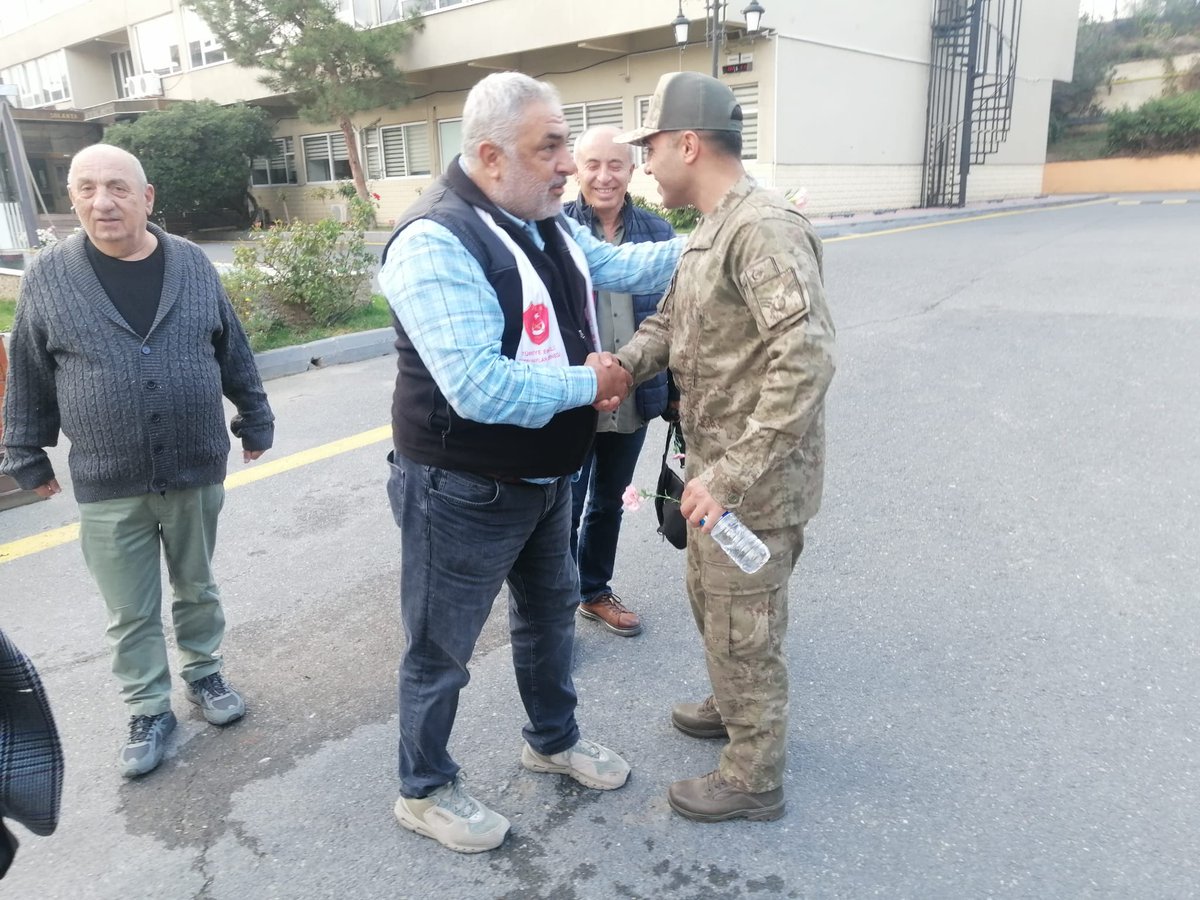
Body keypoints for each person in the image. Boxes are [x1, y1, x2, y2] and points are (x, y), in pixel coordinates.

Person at [379, 71, 682, 854]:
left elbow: (624, 269)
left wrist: (728, 233)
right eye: (549, 146)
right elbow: (478, 384)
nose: (567, 166)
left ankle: (551, 738)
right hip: (460, 488)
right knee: (440, 649)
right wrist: (595, 380)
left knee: (550, 620)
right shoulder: (436, 239)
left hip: (548, 478)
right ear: (488, 154)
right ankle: (424, 787)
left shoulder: (542, 220)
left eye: (564, 146)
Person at [0, 144, 274, 778]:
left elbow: (232, 347)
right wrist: (27, 455)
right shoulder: (48, 275)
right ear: (70, 200)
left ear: (147, 198)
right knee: (129, 608)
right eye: (88, 188)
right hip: (106, 478)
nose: (103, 202)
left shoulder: (192, 265)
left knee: (197, 585)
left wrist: (254, 416)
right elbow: (31, 375)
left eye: (119, 187)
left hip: (195, 465)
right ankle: (149, 707)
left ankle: (205, 675)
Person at [612, 71, 836, 823]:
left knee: (747, 626)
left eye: (650, 148)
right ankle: (735, 704)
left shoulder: (762, 227)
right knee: (711, 601)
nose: (645, 164)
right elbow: (668, 326)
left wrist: (734, 473)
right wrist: (618, 368)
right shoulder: (710, 231)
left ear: (687, 142)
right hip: (714, 476)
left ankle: (753, 777)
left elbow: (806, 357)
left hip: (755, 486)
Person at [563, 125, 676, 638]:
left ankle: (593, 591)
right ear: (576, 170)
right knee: (562, 504)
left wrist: (677, 393)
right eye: (593, 165)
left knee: (608, 499)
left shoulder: (657, 233)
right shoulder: (557, 230)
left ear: (632, 170)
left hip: (634, 396)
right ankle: (554, 606)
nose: (604, 176)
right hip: (571, 401)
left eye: (616, 164)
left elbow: (679, 318)